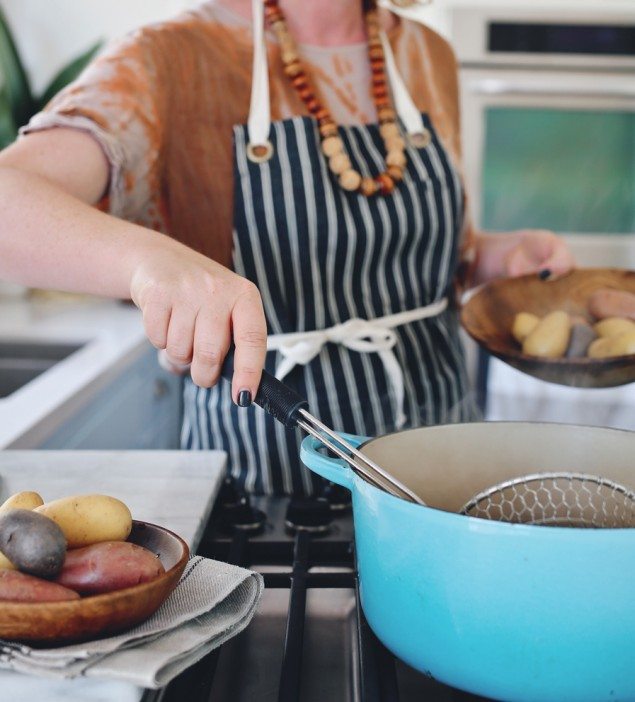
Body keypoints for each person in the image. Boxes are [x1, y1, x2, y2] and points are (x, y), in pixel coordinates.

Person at [0, 0, 574, 495]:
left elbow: (419, 253)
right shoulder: (171, 58)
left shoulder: (427, 53)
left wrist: (495, 257)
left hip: (441, 467)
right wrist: (148, 261)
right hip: (266, 484)